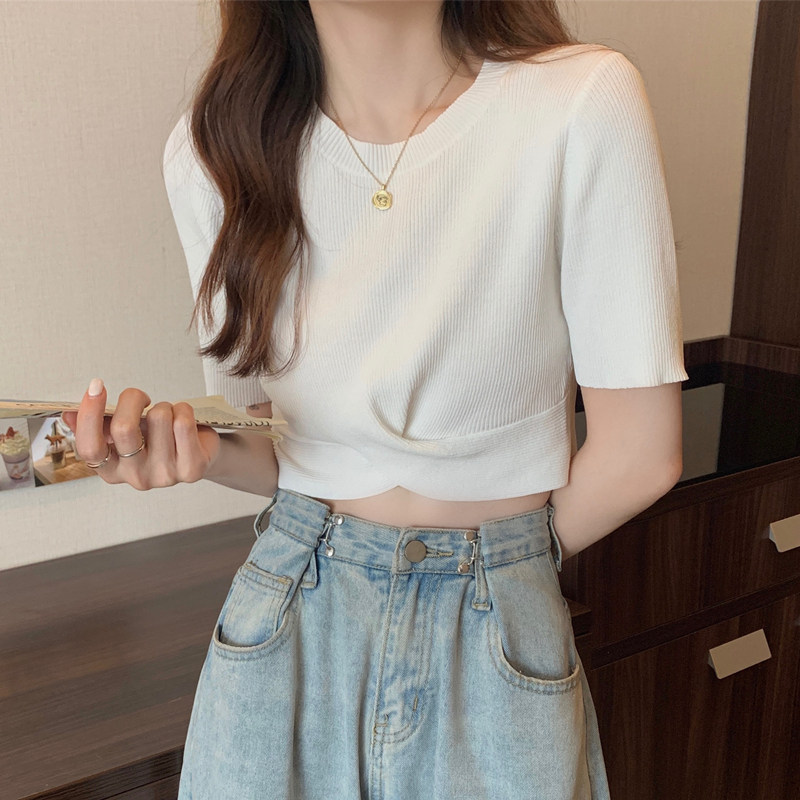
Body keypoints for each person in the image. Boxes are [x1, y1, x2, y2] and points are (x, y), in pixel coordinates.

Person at [62, 1, 689, 798]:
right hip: (289, 608)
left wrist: (497, 570)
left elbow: (641, 457)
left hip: (493, 624)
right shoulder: (214, 143)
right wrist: (193, 452)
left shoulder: (581, 100)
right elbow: (284, 447)